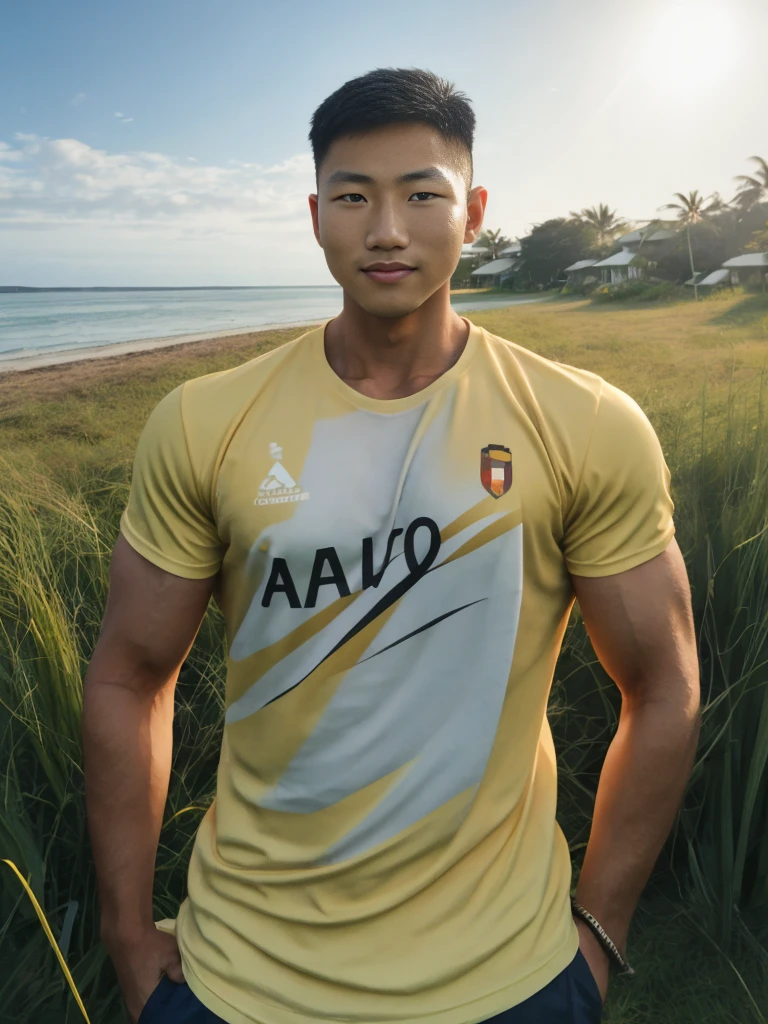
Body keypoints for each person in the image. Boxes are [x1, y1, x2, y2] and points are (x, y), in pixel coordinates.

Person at [82, 67, 701, 1024]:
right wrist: (126, 931)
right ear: (316, 214)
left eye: (422, 194)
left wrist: (600, 933)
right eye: (354, 196)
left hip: (510, 978)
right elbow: (129, 674)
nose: (386, 229)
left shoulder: (584, 422)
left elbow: (664, 684)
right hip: (237, 980)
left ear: (475, 211)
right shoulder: (205, 419)